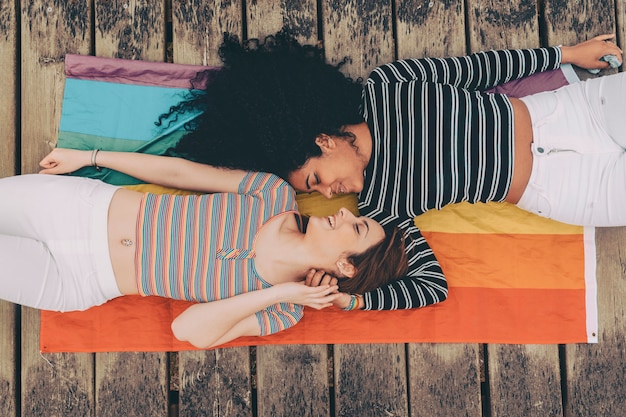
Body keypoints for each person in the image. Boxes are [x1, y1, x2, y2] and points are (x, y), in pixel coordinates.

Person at [166, 29, 624, 311]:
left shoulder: (387, 87)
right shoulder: (379, 207)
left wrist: (566, 54)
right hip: (565, 189)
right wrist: (354, 299)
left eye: (316, 180)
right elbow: (430, 287)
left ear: (322, 142)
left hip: (568, 113)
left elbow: (480, 70)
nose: (328, 195)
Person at [0, 148, 413, 349]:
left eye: (356, 226)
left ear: (346, 265)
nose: (343, 211)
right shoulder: (272, 195)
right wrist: (88, 156)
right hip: (76, 208)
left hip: (76, 280)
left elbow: (188, 331)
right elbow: (180, 172)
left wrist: (285, 291)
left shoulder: (282, 311)